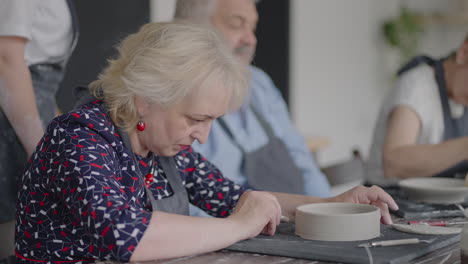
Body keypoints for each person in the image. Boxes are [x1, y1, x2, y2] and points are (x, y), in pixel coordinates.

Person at [15, 22, 397, 263]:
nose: (203, 135)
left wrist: (332, 205)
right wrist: (237, 227)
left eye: (212, 121)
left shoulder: (163, 148)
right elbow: (124, 236)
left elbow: (237, 199)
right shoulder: (79, 139)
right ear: (146, 97)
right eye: (196, 119)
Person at [174, 0, 331, 197]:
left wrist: (328, 209)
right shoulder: (173, 95)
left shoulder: (260, 83)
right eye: (236, 24)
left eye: (253, 27)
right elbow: (191, 206)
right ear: (190, 27)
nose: (251, 39)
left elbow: (302, 161)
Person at [0, 0, 78, 261]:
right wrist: (42, 151)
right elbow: (6, 58)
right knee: (17, 238)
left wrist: (61, 134)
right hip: (10, 119)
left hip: (31, 108)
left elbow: (42, 85)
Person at [366, 34, 468, 185]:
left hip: (443, 203)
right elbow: (394, 163)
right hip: (390, 199)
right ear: (464, 53)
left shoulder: (461, 95)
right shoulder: (415, 86)